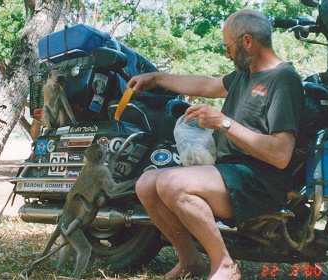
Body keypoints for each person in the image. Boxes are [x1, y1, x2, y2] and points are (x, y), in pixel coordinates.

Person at [126, 9, 304, 280]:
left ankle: (225, 266)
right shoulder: (244, 75)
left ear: (247, 41)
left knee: (172, 183)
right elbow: (207, 84)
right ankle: (190, 261)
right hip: (229, 173)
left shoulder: (283, 79)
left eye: (228, 47)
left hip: (260, 180)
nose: (226, 55)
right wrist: (158, 78)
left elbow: (281, 154)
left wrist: (223, 123)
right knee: (147, 184)